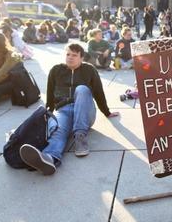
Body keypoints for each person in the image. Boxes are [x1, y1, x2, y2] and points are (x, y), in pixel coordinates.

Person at [19, 44, 119, 175]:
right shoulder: (56, 70)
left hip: (85, 110)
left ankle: (80, 137)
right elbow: (50, 94)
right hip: (63, 109)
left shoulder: (89, 70)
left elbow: (98, 92)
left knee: (82, 89)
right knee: (58, 131)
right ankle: (49, 158)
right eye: (68, 54)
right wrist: (48, 111)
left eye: (74, 55)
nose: (70, 58)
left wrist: (107, 112)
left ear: (81, 58)